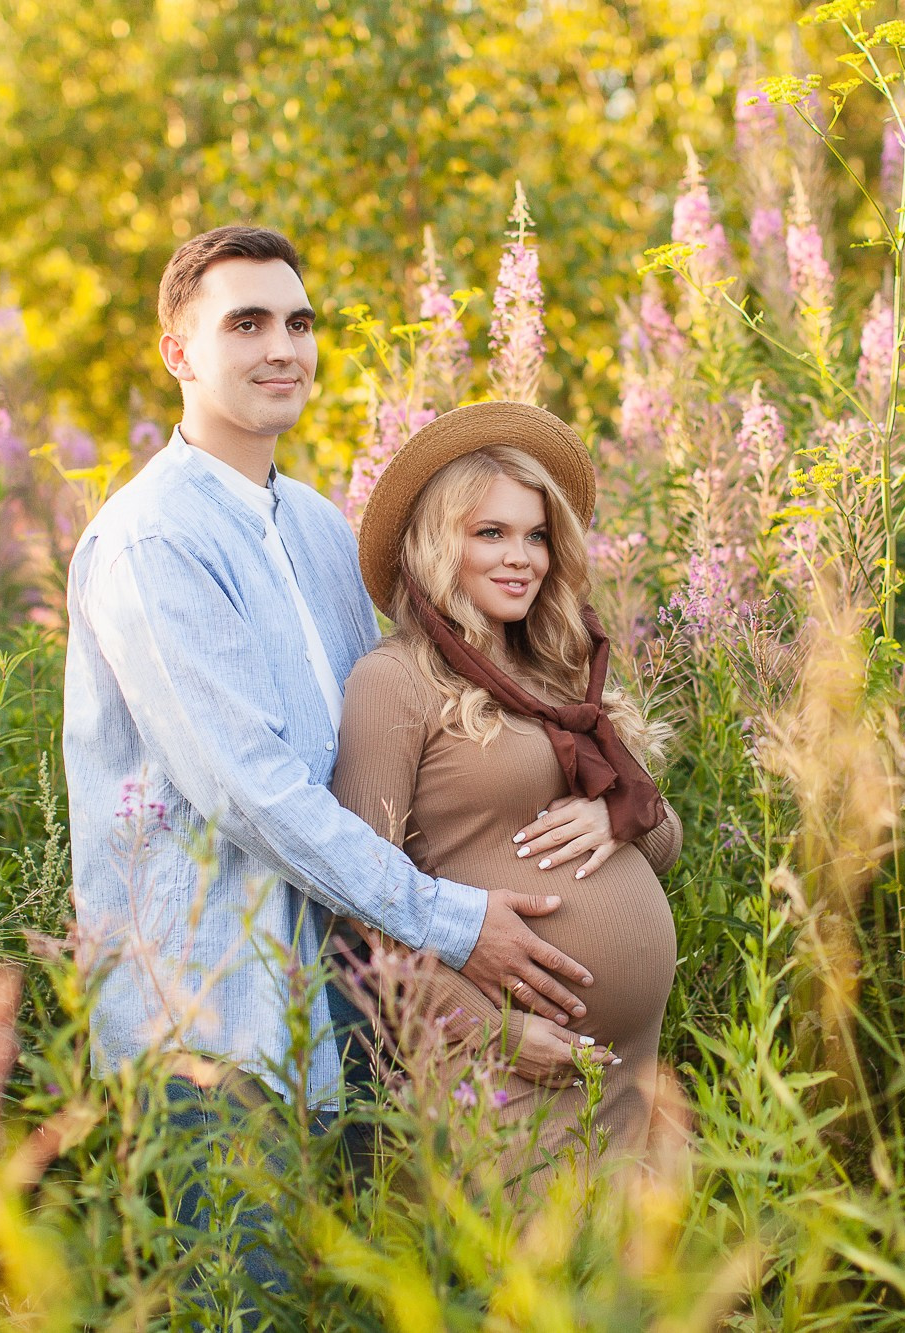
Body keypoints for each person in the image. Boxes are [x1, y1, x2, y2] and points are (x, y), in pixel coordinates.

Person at [60, 227, 595, 1293]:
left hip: (351, 1009)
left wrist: (599, 801)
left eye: (298, 323)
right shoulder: (151, 540)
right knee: (241, 1306)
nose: (282, 347)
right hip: (212, 1027)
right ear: (177, 352)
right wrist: (454, 924)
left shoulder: (313, 525)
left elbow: (402, 746)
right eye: (246, 323)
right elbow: (250, 792)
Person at [331, 401, 681, 1185]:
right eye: (490, 533)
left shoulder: (561, 671)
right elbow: (359, 902)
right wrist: (491, 1030)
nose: (521, 557)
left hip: (629, 1074)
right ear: (438, 542)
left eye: (536, 535)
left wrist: (615, 815)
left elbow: (665, 839)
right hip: (502, 1071)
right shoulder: (395, 680)